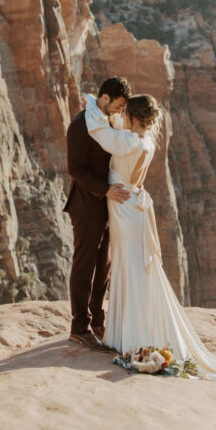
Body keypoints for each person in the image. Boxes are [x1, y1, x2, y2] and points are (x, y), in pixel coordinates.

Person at [83, 92, 216, 380]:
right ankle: (129, 333)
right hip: (133, 207)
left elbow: (100, 132)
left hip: (124, 210)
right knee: (133, 269)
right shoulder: (145, 141)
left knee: (129, 269)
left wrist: (91, 102)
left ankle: (128, 338)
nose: (120, 116)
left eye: (125, 113)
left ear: (132, 116)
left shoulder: (128, 141)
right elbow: (116, 131)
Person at [64, 76, 132, 350]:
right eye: (118, 105)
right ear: (104, 98)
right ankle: (79, 326)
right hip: (86, 206)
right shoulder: (81, 126)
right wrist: (105, 190)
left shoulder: (103, 119)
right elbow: (76, 169)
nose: (120, 111)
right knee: (84, 266)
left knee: (103, 266)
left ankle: (98, 321)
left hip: (107, 207)